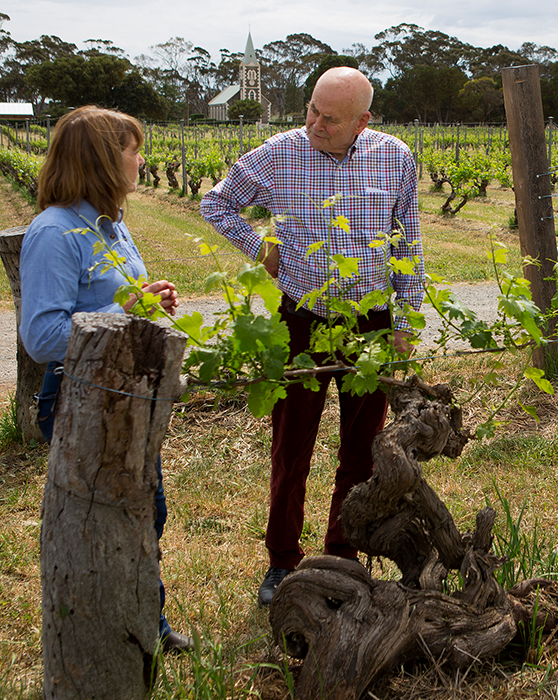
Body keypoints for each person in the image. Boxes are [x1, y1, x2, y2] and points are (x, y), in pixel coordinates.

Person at [200, 67, 423, 607]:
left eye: (329, 118)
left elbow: (407, 241)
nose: (314, 124)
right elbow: (216, 203)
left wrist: (406, 321)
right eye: (311, 111)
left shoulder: (396, 157)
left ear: (362, 121)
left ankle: (341, 558)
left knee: (362, 451)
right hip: (300, 318)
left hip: (369, 323)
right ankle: (281, 562)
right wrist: (262, 249)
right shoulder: (278, 154)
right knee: (291, 445)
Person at [18, 105, 192, 653]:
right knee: (113, 516)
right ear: (102, 159)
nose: (142, 159)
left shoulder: (110, 224)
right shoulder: (55, 233)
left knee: (145, 507)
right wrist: (125, 316)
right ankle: (108, 633)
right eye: (131, 150)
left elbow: (106, 306)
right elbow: (43, 337)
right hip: (81, 398)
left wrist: (142, 301)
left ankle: (143, 620)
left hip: (125, 394)